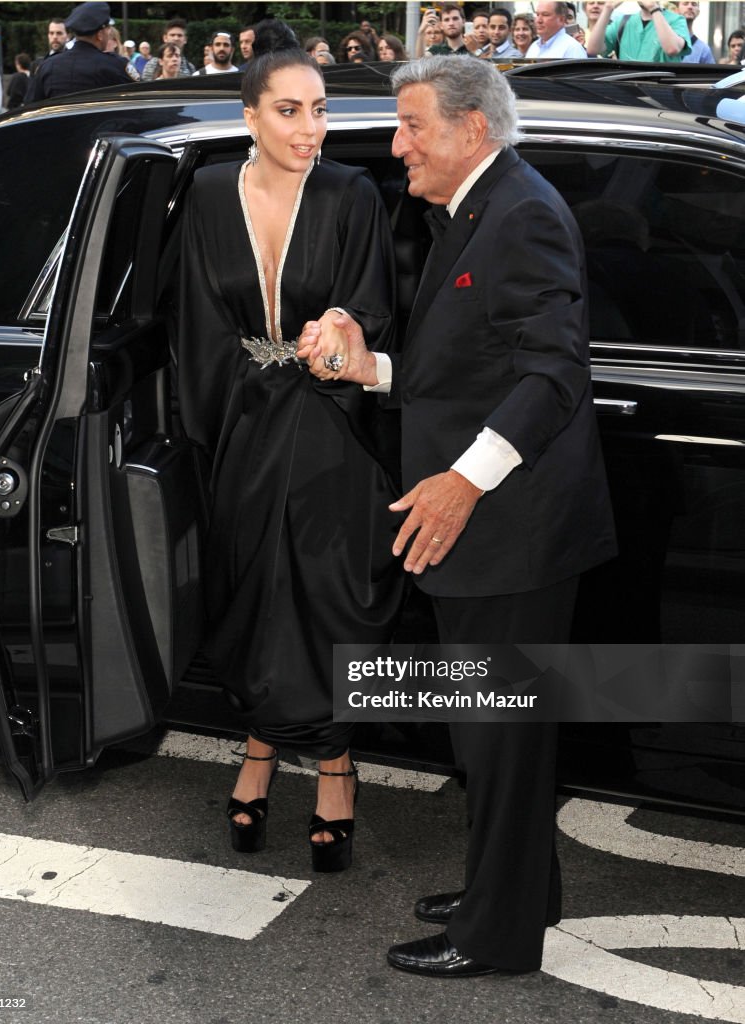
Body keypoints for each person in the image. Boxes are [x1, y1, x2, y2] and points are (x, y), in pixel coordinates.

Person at [299, 54, 616, 975]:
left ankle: (497, 935)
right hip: (492, 531)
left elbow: (550, 374)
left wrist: (463, 480)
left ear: (472, 128)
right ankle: (517, 888)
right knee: (491, 734)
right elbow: (465, 368)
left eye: (412, 129)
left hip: (512, 533)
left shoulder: (520, 216)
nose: (396, 147)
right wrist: (372, 370)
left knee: (502, 740)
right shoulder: (474, 208)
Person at [177, 20, 403, 874]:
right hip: (242, 424)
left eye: (318, 110)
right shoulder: (204, 195)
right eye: (288, 111)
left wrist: (344, 325)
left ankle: (334, 767)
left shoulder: (351, 195)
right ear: (249, 116)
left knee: (325, 601)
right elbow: (195, 327)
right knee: (256, 602)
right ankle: (262, 748)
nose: (310, 129)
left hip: (331, 429)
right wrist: (213, 434)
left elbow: (371, 305)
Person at [24, 1, 131, 102]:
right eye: (107, 29)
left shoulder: (48, 66)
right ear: (100, 35)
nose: (109, 33)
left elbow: (31, 107)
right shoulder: (116, 65)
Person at [586, 0, 691, 62]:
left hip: (661, 92)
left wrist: (653, 8)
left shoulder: (676, 20)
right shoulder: (623, 22)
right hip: (629, 91)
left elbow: (672, 49)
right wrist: (608, 9)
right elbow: (592, 49)